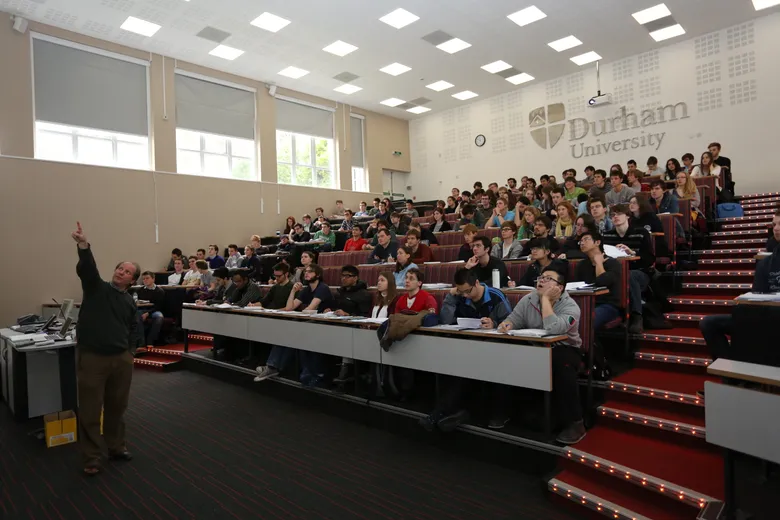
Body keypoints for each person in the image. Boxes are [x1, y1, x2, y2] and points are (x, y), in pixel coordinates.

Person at [70, 221, 139, 475]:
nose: (121, 272)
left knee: (117, 408)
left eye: (127, 271)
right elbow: (88, 269)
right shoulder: (96, 288)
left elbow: (134, 329)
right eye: (120, 268)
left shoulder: (130, 301)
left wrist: (130, 353)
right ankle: (91, 458)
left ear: (133, 280)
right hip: (93, 359)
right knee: (89, 410)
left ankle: (116, 447)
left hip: (121, 360)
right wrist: (83, 245)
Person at [497, 265, 585, 444]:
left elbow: (553, 329)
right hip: (535, 346)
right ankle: (503, 410)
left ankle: (576, 423)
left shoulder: (571, 307)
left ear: (559, 287)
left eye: (548, 278)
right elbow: (514, 319)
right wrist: (507, 325)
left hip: (565, 348)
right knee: (504, 353)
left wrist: (545, 300)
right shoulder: (528, 299)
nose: (541, 280)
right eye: (541, 277)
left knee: (562, 363)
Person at [420, 268, 513, 432]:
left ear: (476, 283)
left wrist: (495, 324)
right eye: (461, 292)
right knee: (451, 365)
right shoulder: (460, 297)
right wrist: (450, 296)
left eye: (467, 291)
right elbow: (446, 320)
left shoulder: (496, 296)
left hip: (495, 346)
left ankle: (447, 412)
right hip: (467, 345)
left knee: (472, 368)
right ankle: (448, 411)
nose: (465, 295)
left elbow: (511, 322)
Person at [602, 204, 655, 334]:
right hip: (616, 273)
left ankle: (637, 316)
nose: (615, 217)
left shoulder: (640, 232)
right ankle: (616, 315)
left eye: (619, 214)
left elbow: (649, 259)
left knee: (630, 275)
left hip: (640, 272)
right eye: (613, 215)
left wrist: (632, 253)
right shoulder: (607, 236)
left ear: (627, 215)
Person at [329, 265, 374, 383]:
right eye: (342, 276)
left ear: (355, 278)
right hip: (336, 322)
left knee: (345, 331)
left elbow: (363, 316)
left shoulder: (363, 294)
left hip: (354, 326)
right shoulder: (340, 292)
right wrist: (329, 310)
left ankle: (346, 368)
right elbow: (335, 307)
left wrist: (347, 314)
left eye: (347, 276)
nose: (343, 278)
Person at [575, 230, 623, 329]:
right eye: (580, 241)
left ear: (597, 242)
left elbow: (602, 282)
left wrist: (599, 263)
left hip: (608, 305)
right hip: (585, 303)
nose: (582, 243)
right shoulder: (582, 265)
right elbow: (576, 286)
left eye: (586, 239)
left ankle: (588, 344)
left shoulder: (613, 263)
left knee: (588, 320)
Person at [135, 271, 164, 349]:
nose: (145, 280)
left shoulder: (159, 291)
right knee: (137, 315)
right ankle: (141, 343)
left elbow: (159, 306)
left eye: (147, 278)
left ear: (153, 279)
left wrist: (148, 313)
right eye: (143, 279)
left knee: (159, 317)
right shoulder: (140, 290)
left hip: (153, 310)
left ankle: (150, 341)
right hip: (141, 310)